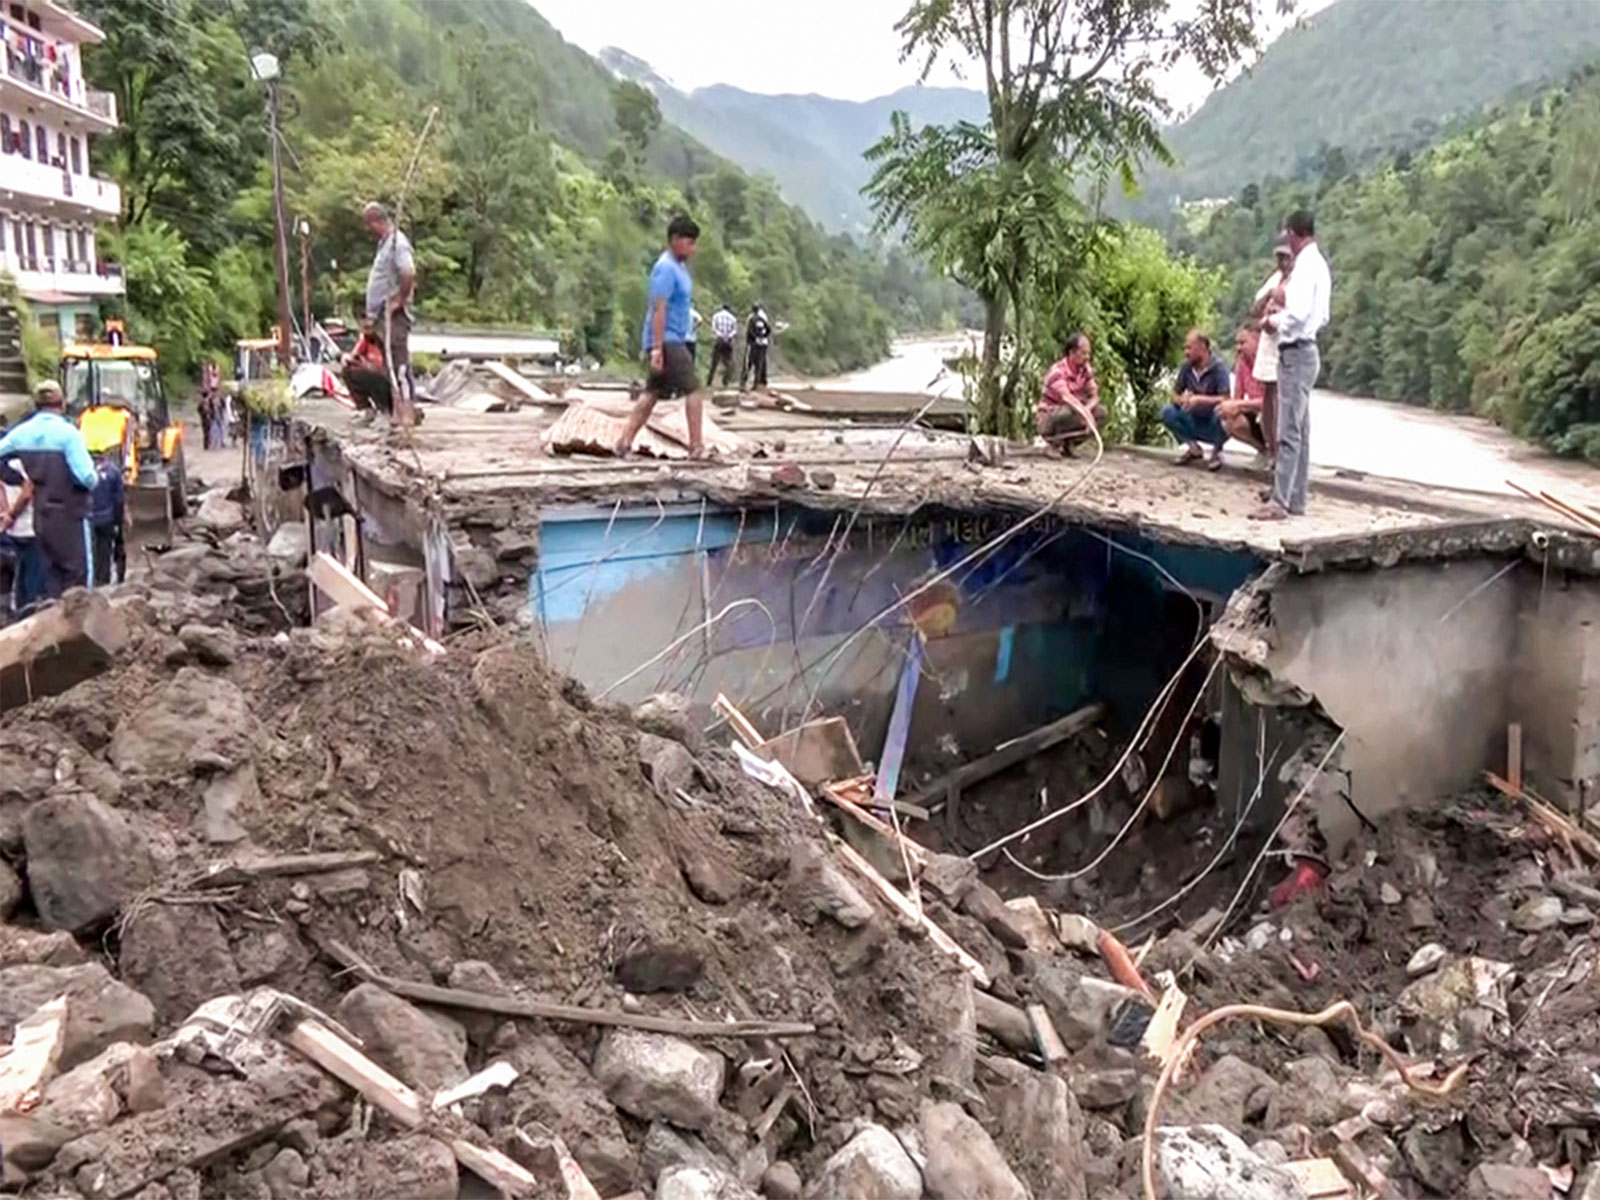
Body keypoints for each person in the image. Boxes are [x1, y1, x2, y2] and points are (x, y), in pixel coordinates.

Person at [1252, 210, 1331, 521]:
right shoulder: (1320, 266)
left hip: (1295, 352)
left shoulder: (1306, 267)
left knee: (1288, 429)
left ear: (1294, 234)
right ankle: (1295, 498)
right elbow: (1321, 315)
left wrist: (1272, 321)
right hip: (1308, 350)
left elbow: (1297, 314)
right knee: (1301, 428)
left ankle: (1280, 502)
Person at [616, 214, 705, 458]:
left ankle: (624, 441)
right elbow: (659, 308)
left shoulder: (680, 268)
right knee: (694, 389)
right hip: (666, 339)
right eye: (689, 242)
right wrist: (656, 348)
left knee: (652, 393)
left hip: (675, 337)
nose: (692, 249)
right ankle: (696, 447)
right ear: (675, 240)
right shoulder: (665, 268)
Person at [0, 381, 95, 598]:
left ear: (36, 405)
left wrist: (15, 476)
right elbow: (87, 477)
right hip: (70, 515)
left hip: (40, 516)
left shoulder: (21, 434)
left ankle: (52, 620)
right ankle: (76, 628)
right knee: (77, 576)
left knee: (50, 576)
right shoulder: (68, 434)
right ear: (61, 404)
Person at [362, 200, 417, 422]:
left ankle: (406, 413)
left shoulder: (398, 243)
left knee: (399, 364)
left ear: (376, 220)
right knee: (390, 366)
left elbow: (408, 272)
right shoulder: (385, 244)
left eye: (368, 224)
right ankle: (397, 411)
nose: (368, 229)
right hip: (383, 317)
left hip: (395, 316)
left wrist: (399, 300)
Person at [1159, 330, 1232, 470]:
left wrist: (1200, 400)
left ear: (1203, 347)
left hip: (1212, 420)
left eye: (1190, 348)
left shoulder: (1218, 368)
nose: (1186, 352)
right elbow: (1174, 393)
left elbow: (1226, 398)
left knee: (1222, 413)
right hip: (1192, 416)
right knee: (1167, 412)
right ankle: (1193, 448)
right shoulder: (1187, 367)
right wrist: (1181, 400)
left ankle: (1217, 450)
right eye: (1185, 348)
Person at [1249, 238, 1293, 463]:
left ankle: (1280, 450)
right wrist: (1269, 298)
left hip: (1284, 342)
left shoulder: (1299, 281)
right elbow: (1255, 308)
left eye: (1286, 257)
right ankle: (1270, 447)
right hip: (1268, 341)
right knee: (1268, 393)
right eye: (1279, 257)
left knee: (1278, 394)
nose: (1282, 262)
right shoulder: (1274, 279)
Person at [1036, 332, 1104, 456]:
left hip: (1073, 410)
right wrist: (1084, 414)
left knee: (1100, 412)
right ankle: (1053, 444)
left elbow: (1095, 395)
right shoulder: (1058, 371)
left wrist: (1088, 410)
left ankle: (1070, 443)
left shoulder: (1085, 370)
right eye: (1083, 353)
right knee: (1068, 411)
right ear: (1072, 353)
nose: (1087, 357)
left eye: (1088, 353)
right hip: (1050, 416)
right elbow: (1066, 397)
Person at [0, 454, 40, 617]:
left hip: (15, 530)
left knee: (19, 578)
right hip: (29, 529)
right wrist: (10, 514)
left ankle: (14, 614)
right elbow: (27, 493)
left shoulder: (8, 467)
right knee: (30, 580)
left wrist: (7, 514)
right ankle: (26, 616)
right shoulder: (28, 464)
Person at [1219, 327, 1268, 455]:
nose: (1238, 348)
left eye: (1242, 343)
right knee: (1229, 420)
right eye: (1237, 343)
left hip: (1271, 414)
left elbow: (1270, 402)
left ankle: (1275, 452)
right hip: (1255, 412)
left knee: (1266, 416)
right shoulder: (1241, 365)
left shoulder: (1267, 364)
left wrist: (1240, 405)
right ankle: (1262, 450)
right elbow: (1237, 397)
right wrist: (1229, 407)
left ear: (1257, 342)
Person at [340, 320, 393, 418]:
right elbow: (353, 355)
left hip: (384, 379)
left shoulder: (386, 343)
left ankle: (384, 410)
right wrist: (348, 358)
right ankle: (364, 407)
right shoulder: (365, 340)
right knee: (348, 371)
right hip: (369, 373)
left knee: (378, 378)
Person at [88, 450, 124, 588]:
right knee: (105, 551)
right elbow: (118, 500)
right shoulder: (113, 471)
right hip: (107, 518)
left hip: (89, 518)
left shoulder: (84, 471)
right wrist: (118, 521)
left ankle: (92, 581)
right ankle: (103, 581)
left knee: (90, 552)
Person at [742, 303, 773, 390]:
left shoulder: (752, 319)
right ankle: (757, 383)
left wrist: (754, 338)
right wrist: (763, 336)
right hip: (763, 344)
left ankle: (743, 382)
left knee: (749, 363)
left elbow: (750, 331)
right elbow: (769, 329)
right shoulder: (762, 319)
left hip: (753, 344)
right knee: (759, 364)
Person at [707, 303, 738, 388]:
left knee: (714, 361)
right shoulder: (732, 318)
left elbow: (714, 328)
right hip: (728, 341)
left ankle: (709, 382)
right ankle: (726, 381)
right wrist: (728, 336)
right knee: (729, 362)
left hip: (719, 340)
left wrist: (721, 335)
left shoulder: (716, 316)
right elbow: (734, 331)